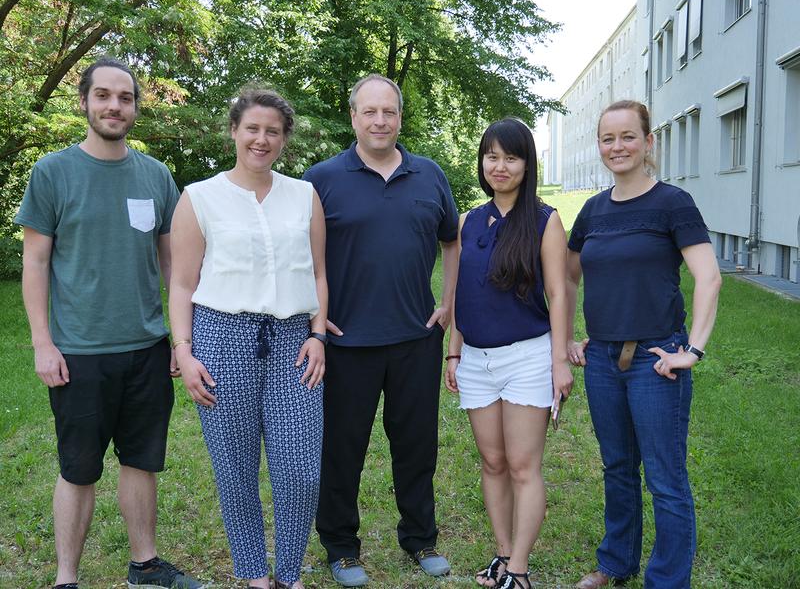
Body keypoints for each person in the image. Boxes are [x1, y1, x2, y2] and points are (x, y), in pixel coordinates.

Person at [15, 57, 201, 589]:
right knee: (78, 468)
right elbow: (36, 262)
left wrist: (177, 338)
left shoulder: (155, 174)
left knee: (142, 461)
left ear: (137, 107)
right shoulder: (53, 172)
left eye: (125, 98)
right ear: (84, 102)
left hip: (146, 347)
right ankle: (66, 578)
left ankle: (145, 565)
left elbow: (173, 264)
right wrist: (42, 343)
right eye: (104, 96)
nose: (114, 106)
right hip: (79, 351)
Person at [302, 74, 459, 587]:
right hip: (346, 343)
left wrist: (449, 301)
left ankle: (420, 539)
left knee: (416, 446)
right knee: (341, 448)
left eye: (388, 112)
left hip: (416, 338)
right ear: (353, 117)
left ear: (399, 117)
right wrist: (314, 315)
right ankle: (341, 548)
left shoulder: (429, 174)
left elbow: (451, 242)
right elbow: (300, 253)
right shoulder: (321, 179)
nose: (380, 121)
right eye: (369, 112)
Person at [168, 87, 327, 589]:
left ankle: (289, 573)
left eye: (272, 131)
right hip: (220, 337)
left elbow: (320, 272)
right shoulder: (199, 197)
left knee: (300, 469)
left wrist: (319, 333)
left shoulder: (304, 195)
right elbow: (181, 282)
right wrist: (184, 351)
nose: (262, 139)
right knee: (235, 468)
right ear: (234, 130)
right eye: (252, 129)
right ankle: (256, 575)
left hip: (293, 340)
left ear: (284, 139)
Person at [566, 100, 721, 589]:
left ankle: (667, 580)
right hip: (603, 359)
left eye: (628, 136)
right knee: (616, 467)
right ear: (600, 147)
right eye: (608, 139)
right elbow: (568, 279)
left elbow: (709, 278)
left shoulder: (672, 203)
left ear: (648, 142)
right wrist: (571, 334)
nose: (618, 147)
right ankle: (616, 562)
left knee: (665, 478)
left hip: (657, 359)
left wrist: (691, 350)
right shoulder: (592, 210)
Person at [444, 118, 573, 589]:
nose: (500, 166)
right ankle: (501, 555)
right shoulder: (469, 221)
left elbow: (559, 294)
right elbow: (461, 293)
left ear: (527, 164)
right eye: (492, 156)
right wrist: (453, 354)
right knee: (492, 463)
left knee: (522, 466)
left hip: (528, 357)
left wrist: (560, 360)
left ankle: (519, 569)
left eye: (511, 157)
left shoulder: (544, 219)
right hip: (476, 360)